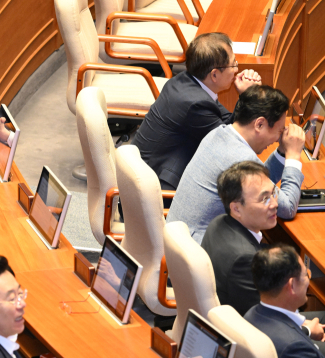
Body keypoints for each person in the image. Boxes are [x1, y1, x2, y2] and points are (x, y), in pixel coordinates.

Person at [167, 85, 304, 244]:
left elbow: (258, 183)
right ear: (259, 124)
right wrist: (293, 156)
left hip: (179, 241)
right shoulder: (240, 156)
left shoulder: (219, 133)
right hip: (202, 254)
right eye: (279, 132)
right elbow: (287, 208)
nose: (277, 139)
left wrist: (282, 151)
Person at [132, 32, 262, 191]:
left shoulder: (185, 80)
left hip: (150, 172)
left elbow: (226, 122)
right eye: (233, 63)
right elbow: (230, 143)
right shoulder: (195, 104)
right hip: (159, 190)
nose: (236, 69)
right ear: (214, 74)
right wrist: (248, 96)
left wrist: (245, 96)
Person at [201, 161, 278, 315]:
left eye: (274, 194)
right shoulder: (244, 259)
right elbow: (262, 320)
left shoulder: (219, 223)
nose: (275, 204)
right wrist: (307, 329)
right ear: (236, 208)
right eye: (264, 199)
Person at [245, 245, 325, 358]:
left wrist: (306, 331)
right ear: (292, 285)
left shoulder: (251, 314)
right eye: (306, 275)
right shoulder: (295, 348)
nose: (308, 281)